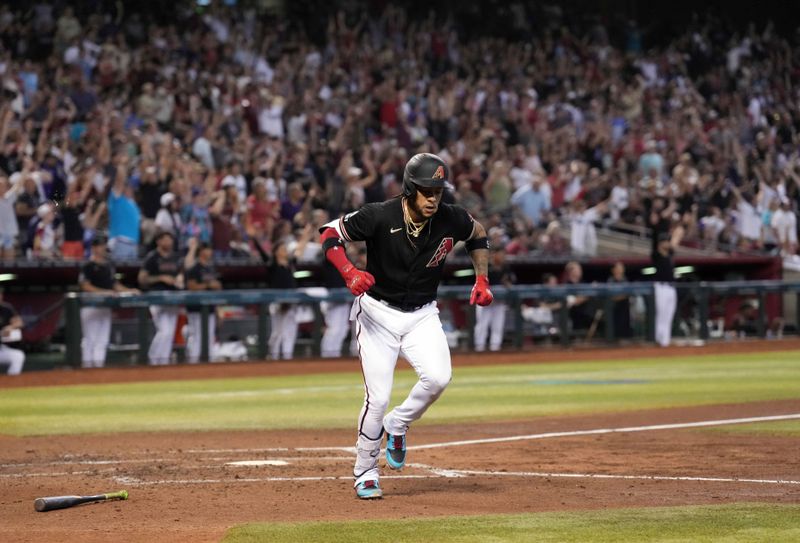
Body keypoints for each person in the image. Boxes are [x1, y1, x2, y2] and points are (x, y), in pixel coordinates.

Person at [319, 153, 492, 499]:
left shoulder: (449, 217)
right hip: (377, 314)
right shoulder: (380, 214)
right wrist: (349, 272)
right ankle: (365, 470)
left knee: (439, 378)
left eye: (438, 192)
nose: (433, 199)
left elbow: (478, 233)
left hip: (422, 314)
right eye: (427, 191)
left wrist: (482, 279)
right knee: (378, 397)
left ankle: (398, 424)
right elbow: (328, 233)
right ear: (410, 189)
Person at [79, 237, 139, 368]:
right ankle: (87, 368)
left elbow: (114, 284)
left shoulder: (109, 264)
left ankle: (99, 367)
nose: (103, 248)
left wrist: (129, 290)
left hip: (105, 306)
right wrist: (103, 292)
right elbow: (85, 286)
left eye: (103, 245)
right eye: (100, 245)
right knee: (90, 339)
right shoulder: (87, 265)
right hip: (91, 306)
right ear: (93, 248)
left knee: (103, 339)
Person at [138, 231, 183, 365]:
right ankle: (153, 359)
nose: (169, 242)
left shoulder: (176, 257)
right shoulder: (152, 257)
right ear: (158, 241)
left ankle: (163, 362)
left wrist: (179, 279)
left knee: (170, 333)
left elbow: (181, 272)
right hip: (157, 297)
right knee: (165, 331)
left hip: (173, 297)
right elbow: (142, 279)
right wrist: (160, 278)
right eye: (165, 239)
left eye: (170, 239)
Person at [184, 241, 222, 363]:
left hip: (210, 307)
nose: (209, 252)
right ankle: (193, 363)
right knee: (197, 336)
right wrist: (208, 285)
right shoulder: (194, 268)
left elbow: (216, 287)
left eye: (210, 250)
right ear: (201, 251)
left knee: (210, 336)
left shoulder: (210, 268)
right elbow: (191, 287)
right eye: (207, 249)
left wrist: (216, 286)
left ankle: (209, 363)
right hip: (196, 308)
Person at [474, 248, 515, 352]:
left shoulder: (505, 267)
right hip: (484, 301)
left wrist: (507, 283)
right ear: (493, 254)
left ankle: (495, 348)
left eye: (503, 255)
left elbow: (510, 282)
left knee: (498, 326)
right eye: (500, 254)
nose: (502, 257)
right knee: (482, 325)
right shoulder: (485, 267)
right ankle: (479, 348)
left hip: (499, 301)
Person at [653, 227, 684, 347]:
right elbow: (666, 247)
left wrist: (678, 230)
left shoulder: (670, 253)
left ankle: (665, 341)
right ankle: (659, 339)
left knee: (669, 314)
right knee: (661, 314)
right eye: (665, 241)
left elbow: (677, 238)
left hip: (671, 287)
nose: (668, 243)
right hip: (661, 287)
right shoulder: (656, 254)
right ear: (660, 243)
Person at [0, 289, 25, 375]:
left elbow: (20, 323)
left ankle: (11, 384)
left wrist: (10, 327)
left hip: (2, 349)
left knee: (18, 356)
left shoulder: (6, 308)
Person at [607, 261, 632, 339]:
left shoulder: (625, 280)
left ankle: (625, 338)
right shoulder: (610, 280)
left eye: (621, 268)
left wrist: (624, 295)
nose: (620, 270)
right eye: (618, 268)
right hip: (614, 308)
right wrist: (623, 295)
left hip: (625, 308)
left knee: (625, 324)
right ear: (613, 270)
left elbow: (629, 293)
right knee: (615, 325)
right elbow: (611, 296)